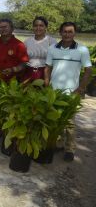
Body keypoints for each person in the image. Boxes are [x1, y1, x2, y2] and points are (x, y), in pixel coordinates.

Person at [44, 22, 92, 162]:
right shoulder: (53, 48)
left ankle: (70, 149)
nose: (67, 34)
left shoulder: (82, 50)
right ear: (60, 32)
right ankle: (58, 144)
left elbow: (88, 70)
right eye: (64, 31)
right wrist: (47, 85)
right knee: (55, 120)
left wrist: (80, 88)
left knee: (69, 123)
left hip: (72, 92)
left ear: (74, 33)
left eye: (70, 32)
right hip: (54, 92)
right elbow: (47, 67)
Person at [23, 16, 57, 81]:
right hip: (28, 72)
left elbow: (55, 61)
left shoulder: (51, 41)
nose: (38, 28)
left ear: (45, 27)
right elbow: (23, 59)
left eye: (41, 25)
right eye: (35, 25)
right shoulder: (27, 41)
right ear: (33, 27)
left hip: (45, 73)